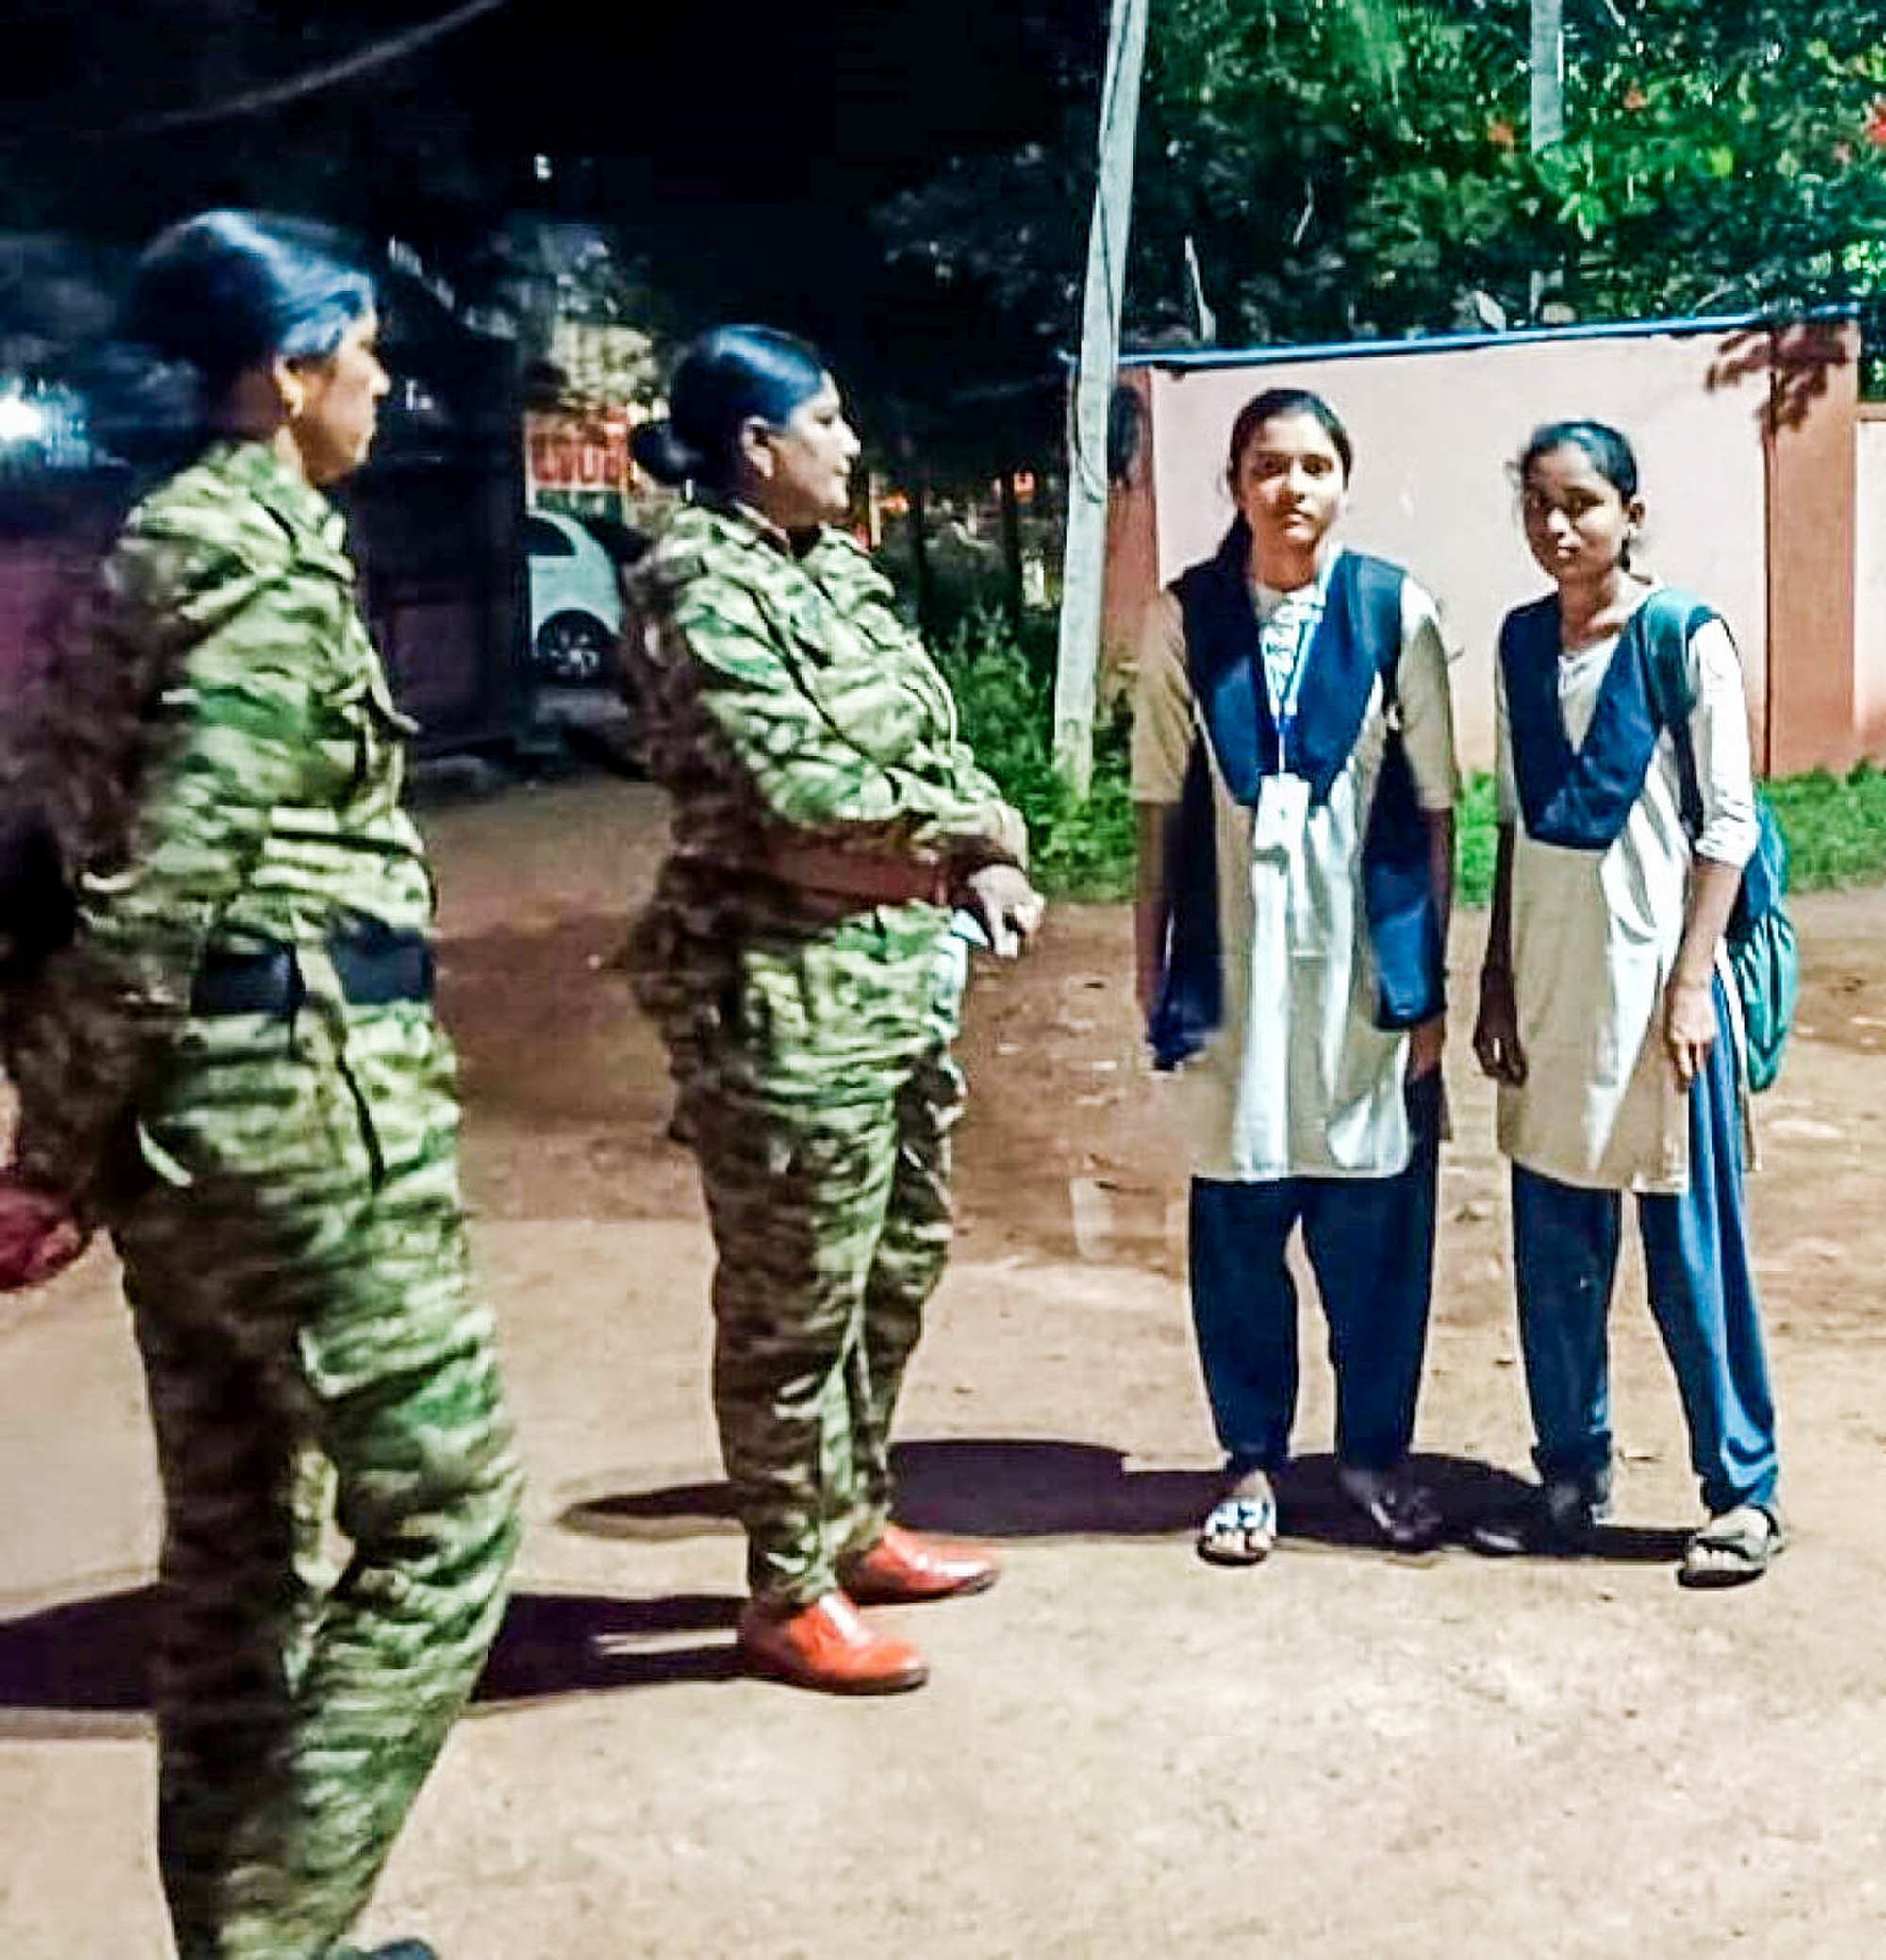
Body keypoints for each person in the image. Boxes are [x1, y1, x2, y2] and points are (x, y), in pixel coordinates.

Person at [0, 211, 522, 1959]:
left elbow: (45, 846)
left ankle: (242, 1936)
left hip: (192, 1133)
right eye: (362, 348)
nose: (382, 381)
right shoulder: (265, 560)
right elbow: (173, 874)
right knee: (449, 1519)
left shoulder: (152, 543)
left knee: (238, 1557)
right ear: (294, 369)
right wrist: (48, 1154)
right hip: (297, 1116)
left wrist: (80, 1126)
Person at [621, 324, 1044, 1695]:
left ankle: (853, 1519)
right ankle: (785, 1583)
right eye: (832, 421)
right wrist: (974, 829)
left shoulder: (837, 571)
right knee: (792, 1293)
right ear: (759, 447)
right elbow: (793, 784)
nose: (852, 446)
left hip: (891, 975)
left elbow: (921, 732)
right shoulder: (698, 580)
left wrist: (963, 843)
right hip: (779, 992)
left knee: (893, 1261)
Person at [1133, 387, 1460, 1567]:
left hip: (1361, 979)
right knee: (1236, 1226)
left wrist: (1427, 986)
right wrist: (1148, 973)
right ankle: (1250, 1458)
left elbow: (1436, 811)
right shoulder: (1183, 621)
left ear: (1343, 483)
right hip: (1233, 981)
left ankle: (1372, 1452)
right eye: (1268, 466)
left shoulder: (1390, 613)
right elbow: (1154, 812)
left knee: (1375, 1233)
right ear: (1234, 483)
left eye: (1315, 465)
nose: (1292, 489)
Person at [1471, 419, 1782, 1586]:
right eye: (1539, 505)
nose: (1559, 526)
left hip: (1660, 1004)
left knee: (1688, 1255)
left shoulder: (1678, 638)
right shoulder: (1514, 645)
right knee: (1554, 1257)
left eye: (1582, 503)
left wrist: (1694, 981)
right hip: (1553, 998)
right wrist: (1496, 975)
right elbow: (1509, 820)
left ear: (1629, 513)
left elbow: (1725, 827)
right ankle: (1567, 1471)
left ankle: (1740, 1489)